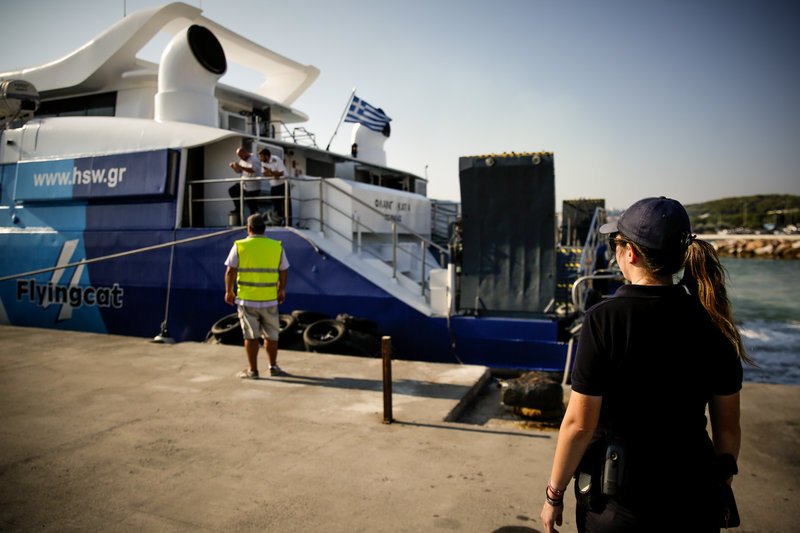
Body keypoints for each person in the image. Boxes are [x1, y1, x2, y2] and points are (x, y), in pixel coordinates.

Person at [540, 196, 753, 532]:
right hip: (694, 500)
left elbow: (579, 425)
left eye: (616, 243)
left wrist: (554, 494)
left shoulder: (603, 321)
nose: (614, 251)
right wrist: (719, 487)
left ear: (631, 253)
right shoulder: (715, 324)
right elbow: (727, 428)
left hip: (619, 501)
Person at [224, 213, 289, 378]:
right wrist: (281, 290)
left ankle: (253, 370)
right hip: (269, 299)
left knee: (251, 336)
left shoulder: (239, 246)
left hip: (248, 300)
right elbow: (283, 269)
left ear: (249, 228)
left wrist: (229, 291)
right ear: (264, 229)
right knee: (272, 335)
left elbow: (231, 270)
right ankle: (273, 366)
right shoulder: (276, 246)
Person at [258, 148, 290, 225]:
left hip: (283, 185)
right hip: (274, 185)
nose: (260, 159)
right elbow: (265, 174)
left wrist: (270, 172)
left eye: (261, 156)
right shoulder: (263, 163)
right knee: (276, 204)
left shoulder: (276, 159)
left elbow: (280, 173)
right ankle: (278, 221)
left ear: (266, 156)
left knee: (285, 204)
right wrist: (273, 174)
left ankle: (287, 222)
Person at [228, 147, 263, 218]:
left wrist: (240, 167)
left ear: (245, 152)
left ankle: (255, 222)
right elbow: (240, 171)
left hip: (253, 188)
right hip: (243, 184)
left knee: (252, 207)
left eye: (241, 155)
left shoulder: (254, 159)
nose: (240, 157)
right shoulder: (242, 160)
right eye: (239, 156)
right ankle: (238, 208)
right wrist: (234, 167)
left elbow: (253, 170)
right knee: (232, 190)